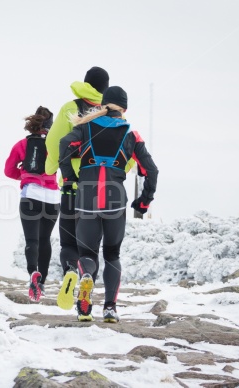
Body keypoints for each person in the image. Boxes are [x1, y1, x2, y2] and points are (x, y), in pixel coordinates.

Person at [58, 86, 159, 322]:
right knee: (112, 254)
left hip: (86, 199)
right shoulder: (131, 135)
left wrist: (70, 178)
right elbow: (151, 170)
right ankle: (110, 309)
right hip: (114, 201)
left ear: (104, 104)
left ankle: (87, 282)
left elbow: (64, 145)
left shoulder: (84, 128)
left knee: (87, 253)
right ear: (124, 108)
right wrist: (143, 201)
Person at [44, 67, 135, 310]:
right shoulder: (116, 115)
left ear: (84, 83)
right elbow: (129, 154)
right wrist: (114, 176)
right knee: (104, 250)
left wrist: (55, 171)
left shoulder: (70, 108)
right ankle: (91, 301)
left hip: (73, 187)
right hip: (107, 190)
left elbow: (54, 144)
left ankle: (72, 271)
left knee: (71, 245)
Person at [4, 106, 60, 302]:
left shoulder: (21, 145)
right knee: (45, 240)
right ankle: (42, 283)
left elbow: (9, 171)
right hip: (53, 198)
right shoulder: (56, 145)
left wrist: (25, 174)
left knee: (32, 241)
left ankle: (32, 275)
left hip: (31, 196)